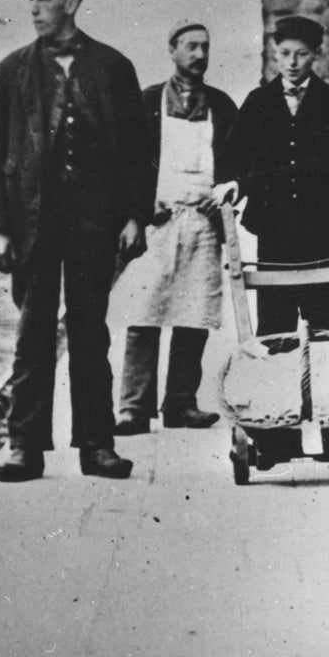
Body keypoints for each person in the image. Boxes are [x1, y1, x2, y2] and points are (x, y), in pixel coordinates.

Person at [0, 0, 148, 483]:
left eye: (44, 0)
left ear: (71, 3)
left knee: (90, 336)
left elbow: (139, 154)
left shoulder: (114, 69)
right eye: (30, 1)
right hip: (33, 225)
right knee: (32, 337)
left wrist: (136, 216)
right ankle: (24, 446)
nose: (33, 10)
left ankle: (97, 445)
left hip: (94, 224)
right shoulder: (10, 72)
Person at [213, 15, 329, 335]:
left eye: (302, 54)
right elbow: (229, 160)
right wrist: (234, 183)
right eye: (286, 53)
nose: (292, 62)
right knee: (274, 329)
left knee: (322, 326)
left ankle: (314, 384)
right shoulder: (257, 102)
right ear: (275, 52)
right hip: (273, 230)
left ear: (317, 54)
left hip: (324, 230)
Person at [110, 21, 238, 435]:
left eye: (204, 47)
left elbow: (237, 162)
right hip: (157, 224)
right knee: (144, 313)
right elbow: (124, 162)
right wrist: (138, 207)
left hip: (202, 224)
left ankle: (181, 403)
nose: (199, 55)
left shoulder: (221, 105)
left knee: (194, 314)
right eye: (190, 47)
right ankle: (133, 407)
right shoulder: (146, 101)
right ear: (172, 50)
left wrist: (222, 191)